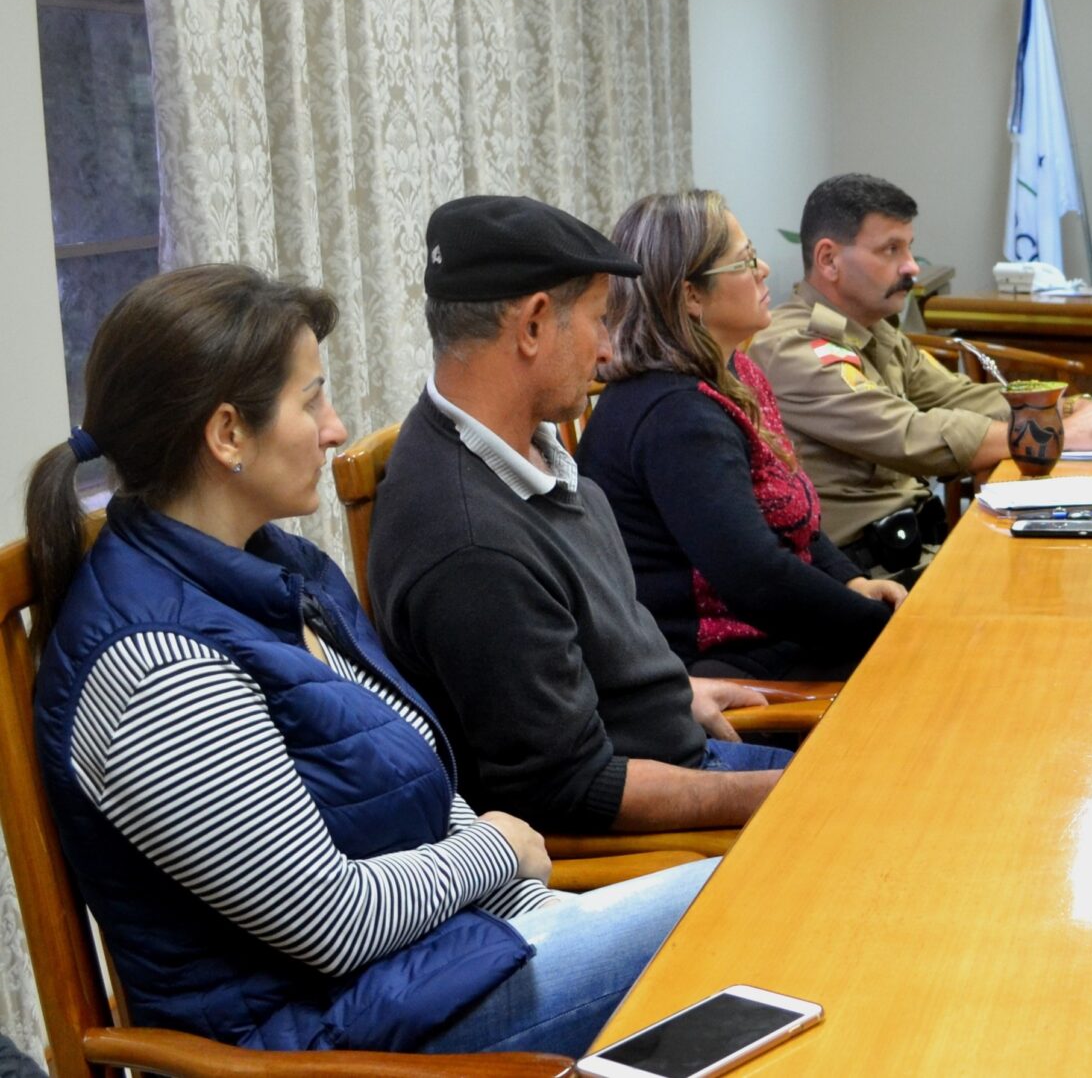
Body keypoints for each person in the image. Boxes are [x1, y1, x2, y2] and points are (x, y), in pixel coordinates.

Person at [25, 264, 712, 1055]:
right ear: (226, 435)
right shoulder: (156, 670)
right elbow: (334, 924)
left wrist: (520, 887)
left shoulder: (268, 572)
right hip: (340, 1041)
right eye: (311, 398)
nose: (336, 426)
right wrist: (497, 850)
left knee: (763, 903)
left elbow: (410, 778)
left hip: (432, 968)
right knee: (757, 897)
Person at [371, 196, 789, 837]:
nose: (606, 352)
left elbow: (591, 661)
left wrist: (675, 693)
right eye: (599, 320)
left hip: (678, 753)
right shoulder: (474, 546)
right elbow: (569, 789)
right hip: (654, 830)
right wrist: (787, 794)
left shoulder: (519, 449)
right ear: (534, 325)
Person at [581, 190, 908, 681]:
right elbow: (757, 579)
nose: (764, 271)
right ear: (691, 295)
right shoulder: (677, 417)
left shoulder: (733, 372)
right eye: (745, 261)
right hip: (718, 664)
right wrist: (889, 631)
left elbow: (789, 521)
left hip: (770, 629)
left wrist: (852, 580)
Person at [750, 173, 1092, 575]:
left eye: (909, 248)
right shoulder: (791, 347)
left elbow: (959, 396)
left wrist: (1068, 406)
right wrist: (1047, 433)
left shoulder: (874, 331)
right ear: (829, 259)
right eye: (890, 249)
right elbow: (909, 435)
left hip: (918, 551)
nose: (911, 267)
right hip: (866, 578)